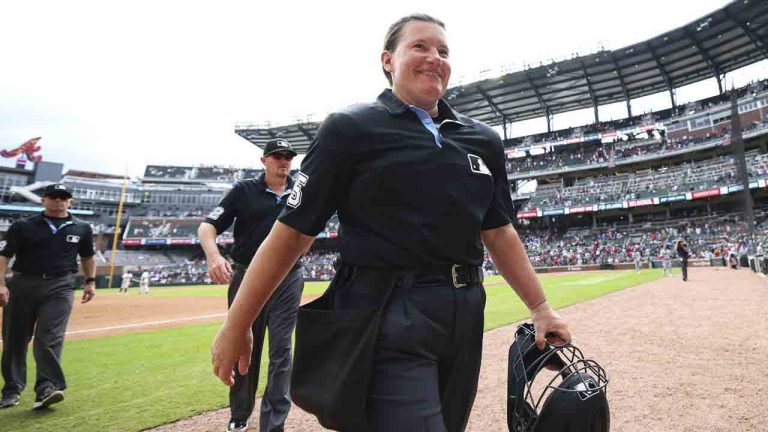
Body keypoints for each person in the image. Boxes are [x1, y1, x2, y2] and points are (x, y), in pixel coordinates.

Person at [210, 14, 570, 432]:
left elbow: (498, 230)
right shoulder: (350, 129)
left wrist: (541, 308)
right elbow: (291, 234)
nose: (434, 57)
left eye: (444, 51)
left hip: (466, 310)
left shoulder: (482, 141)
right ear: (387, 60)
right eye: (420, 46)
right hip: (386, 310)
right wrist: (238, 324)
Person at [199, 139, 304, 432]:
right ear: (264, 160)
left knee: (282, 350)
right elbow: (207, 226)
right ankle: (240, 415)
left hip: (289, 276)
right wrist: (213, 255)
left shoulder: (301, 189)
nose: (284, 160)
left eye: (288, 156)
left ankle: (274, 423)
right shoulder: (244, 190)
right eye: (277, 156)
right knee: (244, 343)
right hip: (247, 275)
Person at [0, 183, 96, 410]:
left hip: (60, 285)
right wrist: (1, 284)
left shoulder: (82, 227)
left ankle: (47, 389)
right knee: (15, 339)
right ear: (44, 200)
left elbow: (87, 257)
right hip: (23, 283)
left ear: (70, 201)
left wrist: (90, 281)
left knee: (49, 337)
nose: (58, 201)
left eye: (63, 197)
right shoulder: (23, 225)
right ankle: (11, 390)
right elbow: (4, 256)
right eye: (53, 197)